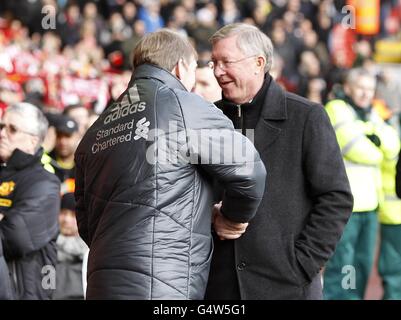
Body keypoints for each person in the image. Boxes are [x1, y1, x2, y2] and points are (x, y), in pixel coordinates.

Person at [74, 29, 266, 300]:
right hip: (165, 284)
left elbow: (85, 221)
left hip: (101, 284)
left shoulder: (96, 129)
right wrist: (231, 218)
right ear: (180, 67)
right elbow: (249, 171)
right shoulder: (184, 105)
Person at [205, 23, 353, 300]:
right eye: (213, 62)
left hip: (287, 287)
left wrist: (302, 265)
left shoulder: (306, 116)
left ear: (258, 63)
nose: (217, 71)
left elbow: (336, 198)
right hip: (219, 287)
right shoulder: (205, 119)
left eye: (226, 62)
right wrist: (213, 217)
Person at [324, 68, 400, 299]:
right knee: (343, 265)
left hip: (371, 204)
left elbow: (393, 145)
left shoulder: (370, 113)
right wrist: (375, 139)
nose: (366, 94)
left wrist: (371, 134)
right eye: (360, 88)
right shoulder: (337, 108)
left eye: (370, 89)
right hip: (346, 205)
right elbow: (359, 149)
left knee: (361, 265)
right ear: (348, 88)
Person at [0, 102, 60, 299]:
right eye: (1, 126)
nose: (2, 133)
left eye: (12, 129)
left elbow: (14, 237)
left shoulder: (46, 182)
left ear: (32, 141)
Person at [54, 192, 88, 300]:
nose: (66, 220)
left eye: (73, 215)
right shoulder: (44, 244)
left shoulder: (91, 251)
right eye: (63, 213)